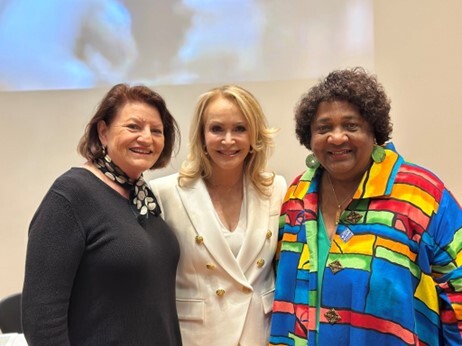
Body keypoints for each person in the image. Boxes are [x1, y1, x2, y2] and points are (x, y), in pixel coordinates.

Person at [269, 67, 462, 345]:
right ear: (309, 138)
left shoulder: (420, 194)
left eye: (351, 126)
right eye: (324, 128)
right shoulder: (297, 196)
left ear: (374, 131)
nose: (337, 138)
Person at [21, 83, 182, 345]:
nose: (146, 138)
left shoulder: (143, 197)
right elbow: (42, 320)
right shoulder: (71, 195)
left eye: (157, 131)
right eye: (133, 127)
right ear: (103, 131)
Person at [150, 85, 287, 345]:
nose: (228, 140)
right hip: (198, 336)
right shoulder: (165, 193)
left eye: (240, 128)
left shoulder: (276, 188)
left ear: (254, 135)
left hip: (259, 334)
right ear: (201, 136)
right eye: (216, 129)